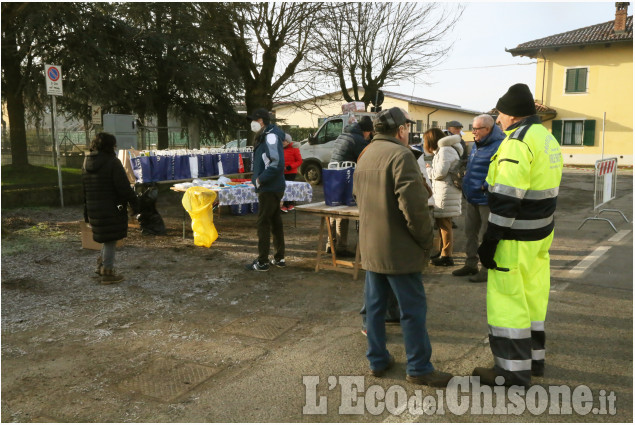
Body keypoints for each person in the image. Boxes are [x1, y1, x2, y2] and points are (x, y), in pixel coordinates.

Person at [353, 106, 452, 387]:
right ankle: (419, 367)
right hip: (399, 247)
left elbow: (357, 195)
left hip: (371, 244)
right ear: (401, 130)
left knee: (374, 307)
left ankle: (377, 360)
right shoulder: (401, 155)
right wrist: (424, 240)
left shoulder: (365, 153)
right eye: (407, 128)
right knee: (412, 309)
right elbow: (414, 207)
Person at [472, 83, 563, 387]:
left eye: (499, 114)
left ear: (512, 115)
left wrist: (490, 240)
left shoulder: (516, 142)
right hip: (540, 236)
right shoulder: (547, 139)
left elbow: (508, 199)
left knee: (508, 302)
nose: (497, 119)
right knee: (533, 299)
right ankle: (534, 361)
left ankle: (511, 371)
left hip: (515, 238)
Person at [452, 114, 505, 282]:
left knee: (486, 235)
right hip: (472, 196)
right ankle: (471, 264)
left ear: (488, 129)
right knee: (470, 232)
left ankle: (486, 269)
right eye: (472, 128)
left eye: (476, 129)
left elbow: (502, 171)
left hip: (486, 198)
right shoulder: (476, 144)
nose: (472, 132)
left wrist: (486, 186)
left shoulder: (501, 146)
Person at [82, 132, 138, 284]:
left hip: (93, 207)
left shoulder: (86, 162)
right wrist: (135, 203)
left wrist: (86, 211)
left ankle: (101, 266)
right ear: (110, 146)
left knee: (106, 238)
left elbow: (85, 189)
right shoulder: (113, 162)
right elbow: (124, 188)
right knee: (110, 240)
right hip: (111, 207)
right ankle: (108, 272)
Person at [245, 108, 286, 271]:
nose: (251, 124)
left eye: (253, 120)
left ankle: (262, 261)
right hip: (273, 186)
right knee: (275, 221)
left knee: (263, 223)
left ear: (261, 120)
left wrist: (260, 179)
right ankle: (279, 258)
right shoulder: (268, 135)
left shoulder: (269, 136)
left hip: (269, 187)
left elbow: (277, 164)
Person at [326, 115, 373, 257]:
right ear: (366, 131)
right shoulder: (358, 139)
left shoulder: (344, 134)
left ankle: (330, 243)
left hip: (333, 173)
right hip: (344, 175)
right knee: (343, 211)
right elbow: (366, 158)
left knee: (334, 210)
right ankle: (341, 246)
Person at [424, 128, 463, 267]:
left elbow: (440, 173)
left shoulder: (445, 150)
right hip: (445, 191)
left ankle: (446, 255)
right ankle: (443, 252)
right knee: (442, 223)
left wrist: (428, 169)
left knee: (445, 224)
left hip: (446, 192)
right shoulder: (445, 150)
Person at [281, 133, 302, 212]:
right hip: (282, 172)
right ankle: (286, 204)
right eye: (282, 140)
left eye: (285, 141)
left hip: (291, 172)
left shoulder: (294, 149)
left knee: (288, 188)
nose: (283, 142)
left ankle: (289, 204)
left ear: (289, 141)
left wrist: (290, 166)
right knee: (283, 188)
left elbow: (299, 161)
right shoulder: (280, 149)